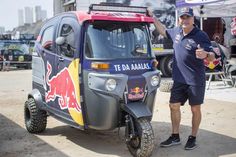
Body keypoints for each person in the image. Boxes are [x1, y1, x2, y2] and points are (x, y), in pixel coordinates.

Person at [148, 7, 215, 150]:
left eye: (187, 17)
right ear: (179, 19)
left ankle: (193, 137)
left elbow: (212, 56)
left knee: (195, 109)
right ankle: (175, 136)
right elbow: (162, 30)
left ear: (192, 19)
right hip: (179, 79)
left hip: (195, 80)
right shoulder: (176, 32)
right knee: (173, 106)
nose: (185, 20)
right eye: (182, 17)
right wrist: (153, 17)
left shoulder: (200, 35)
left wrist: (206, 55)